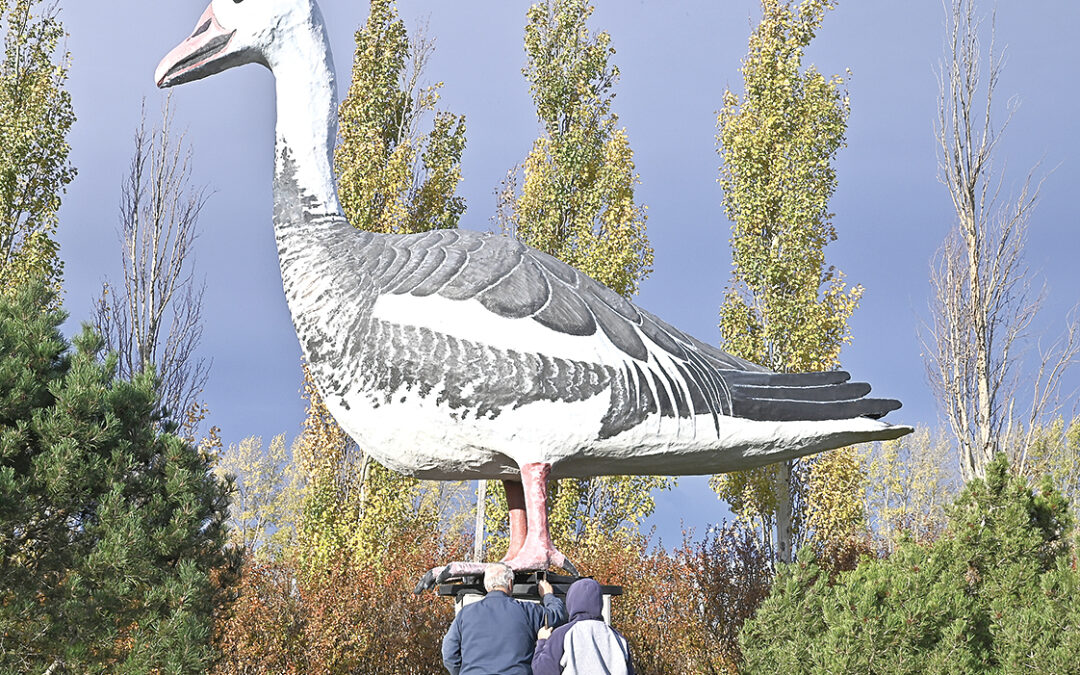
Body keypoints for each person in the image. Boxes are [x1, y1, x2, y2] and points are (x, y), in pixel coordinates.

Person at [442, 562, 567, 675]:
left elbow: (449, 653)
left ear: (487, 586)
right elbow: (557, 616)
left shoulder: (465, 614)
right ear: (510, 583)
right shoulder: (528, 611)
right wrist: (548, 595)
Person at [531, 577, 634, 675]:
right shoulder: (618, 639)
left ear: (571, 601)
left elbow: (542, 671)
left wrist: (542, 641)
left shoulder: (562, 634)